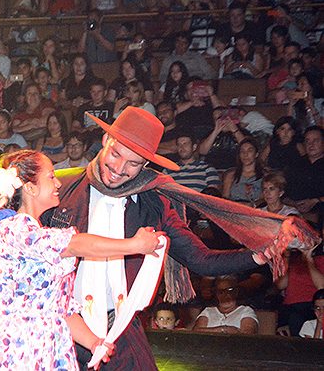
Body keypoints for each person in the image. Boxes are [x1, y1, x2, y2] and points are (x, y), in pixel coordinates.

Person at [42, 107, 315, 369]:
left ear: (147, 163)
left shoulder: (155, 204)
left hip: (119, 328)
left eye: (133, 163)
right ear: (105, 140)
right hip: (61, 326)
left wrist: (259, 254)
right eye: (115, 154)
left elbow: (201, 260)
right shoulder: (62, 191)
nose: (119, 168)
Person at [0, 149, 163, 370]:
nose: (58, 183)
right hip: (15, 347)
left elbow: (60, 310)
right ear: (31, 188)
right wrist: (134, 244)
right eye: (50, 176)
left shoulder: (37, 235)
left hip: (46, 347)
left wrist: (94, 342)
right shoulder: (15, 229)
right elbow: (75, 245)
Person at [193, 275, 259, 334]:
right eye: (221, 291)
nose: (226, 294)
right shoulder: (208, 311)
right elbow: (196, 332)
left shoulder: (246, 311)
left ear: (236, 291)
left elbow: (248, 333)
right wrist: (223, 330)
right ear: (216, 293)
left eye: (229, 290)